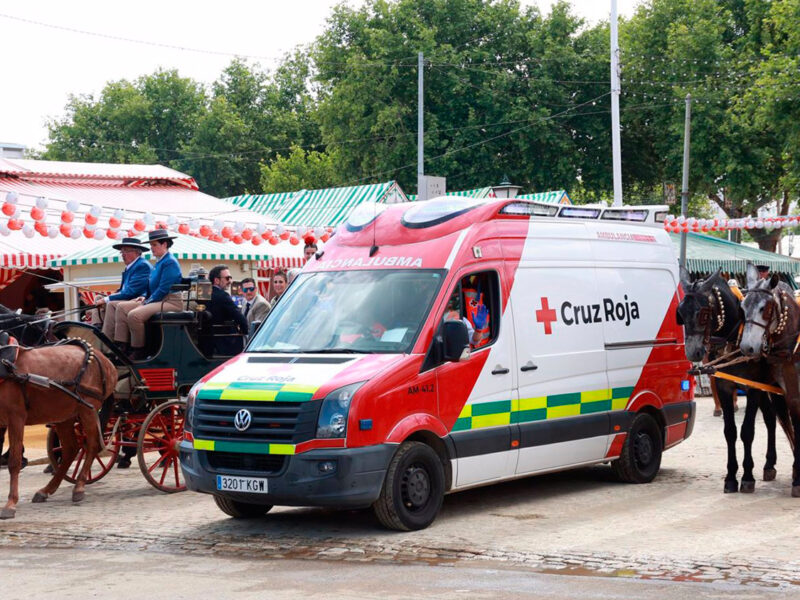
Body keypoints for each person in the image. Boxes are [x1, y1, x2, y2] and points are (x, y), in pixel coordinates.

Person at [114, 229, 183, 361]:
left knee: (135, 315)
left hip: (170, 301)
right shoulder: (160, 262)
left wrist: (148, 301)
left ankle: (139, 350)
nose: (151, 248)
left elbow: (163, 289)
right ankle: (121, 345)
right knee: (122, 308)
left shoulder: (169, 262)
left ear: (164, 244)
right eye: (151, 245)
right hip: (158, 299)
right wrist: (145, 297)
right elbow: (151, 285)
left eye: (154, 245)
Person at [97, 237, 152, 346]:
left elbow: (131, 292)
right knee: (98, 299)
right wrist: (106, 298)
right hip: (130, 297)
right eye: (121, 251)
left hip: (138, 299)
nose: (122, 254)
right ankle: (97, 327)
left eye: (126, 251)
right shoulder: (130, 266)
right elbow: (122, 290)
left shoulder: (142, 265)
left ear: (136, 252)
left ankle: (109, 342)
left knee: (111, 304)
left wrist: (108, 298)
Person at [206, 265, 249, 356]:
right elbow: (240, 318)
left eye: (230, 278)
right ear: (216, 280)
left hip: (208, 343)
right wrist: (246, 332)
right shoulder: (223, 296)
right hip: (225, 344)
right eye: (227, 278)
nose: (230, 281)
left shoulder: (206, 294)